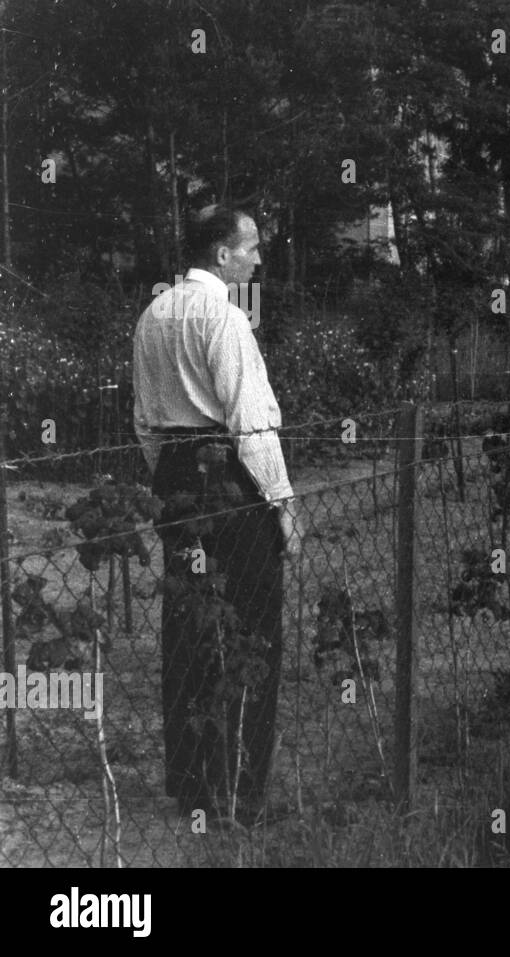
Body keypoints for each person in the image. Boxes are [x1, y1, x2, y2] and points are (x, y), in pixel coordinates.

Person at [133, 205, 301, 828]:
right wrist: (282, 507)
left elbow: (145, 423)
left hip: (177, 482)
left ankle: (192, 784)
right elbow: (252, 424)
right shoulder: (226, 320)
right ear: (221, 253)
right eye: (250, 246)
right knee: (251, 632)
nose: (259, 258)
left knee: (186, 631)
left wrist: (168, 479)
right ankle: (244, 789)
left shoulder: (153, 315)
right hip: (232, 487)